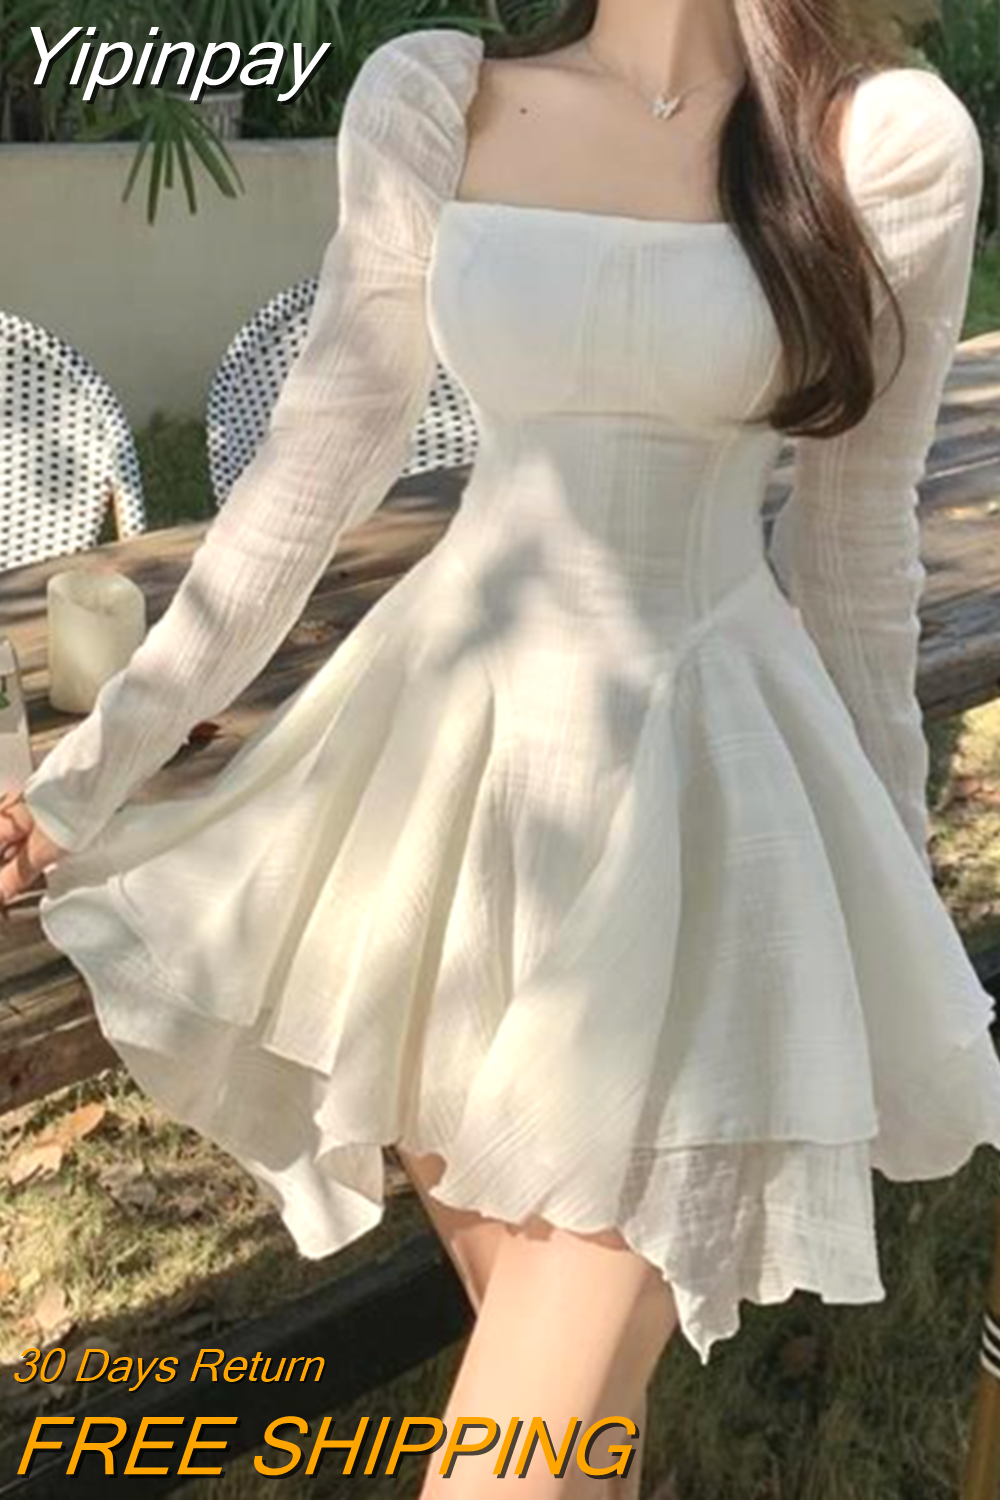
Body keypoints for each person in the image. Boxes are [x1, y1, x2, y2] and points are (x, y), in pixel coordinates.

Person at [3, 1, 1000, 1494]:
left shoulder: (887, 144)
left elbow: (856, 553)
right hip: (439, 792)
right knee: (571, 1426)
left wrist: (884, 892)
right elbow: (313, 469)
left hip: (704, 807)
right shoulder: (436, 98)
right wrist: (87, 776)